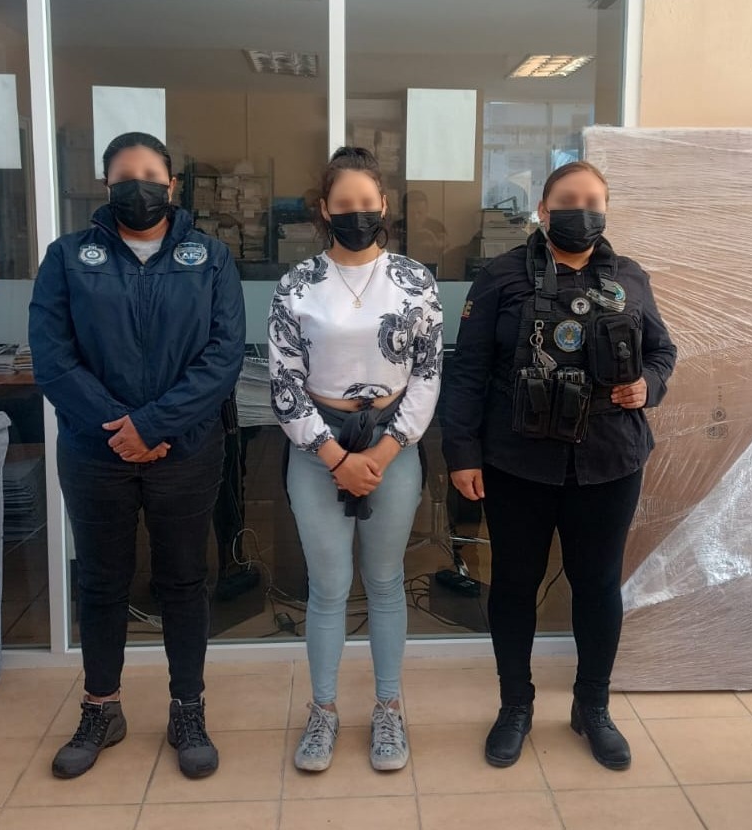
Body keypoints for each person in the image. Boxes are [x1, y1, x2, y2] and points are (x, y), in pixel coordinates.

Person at [442, 161, 676, 772]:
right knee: (514, 585)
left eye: (593, 201)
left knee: (597, 586)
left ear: (606, 210)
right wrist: (461, 452)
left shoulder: (630, 278)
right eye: (568, 200)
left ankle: (591, 706)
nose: (581, 211)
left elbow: (661, 351)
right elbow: (467, 371)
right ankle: (515, 706)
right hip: (517, 462)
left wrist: (648, 386)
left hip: (609, 460)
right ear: (543, 211)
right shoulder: (500, 276)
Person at [29, 132, 245, 781]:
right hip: (95, 451)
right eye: (126, 175)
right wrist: (119, 429)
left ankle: (188, 709)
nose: (140, 186)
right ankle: (101, 707)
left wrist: (152, 424)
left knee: (183, 580)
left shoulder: (210, 257)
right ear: (107, 185)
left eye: (152, 174)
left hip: (186, 450)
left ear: (171, 185)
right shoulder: (68, 256)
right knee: (101, 581)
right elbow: (52, 356)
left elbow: (223, 356)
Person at [269, 147, 443, 774]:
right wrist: (336, 457)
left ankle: (388, 708)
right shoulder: (297, 285)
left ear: (384, 206)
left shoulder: (415, 281)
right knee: (328, 587)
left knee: (387, 580)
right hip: (318, 445)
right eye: (344, 204)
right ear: (324, 210)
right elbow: (284, 384)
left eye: (367, 203)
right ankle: (323, 710)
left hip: (394, 443)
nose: (356, 213)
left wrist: (386, 450)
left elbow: (427, 373)